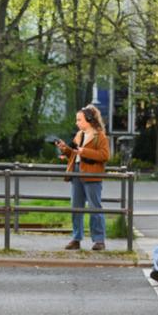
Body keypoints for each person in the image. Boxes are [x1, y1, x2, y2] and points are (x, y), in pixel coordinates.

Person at [56, 104, 110, 251]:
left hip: (92, 175)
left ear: (89, 120)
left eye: (79, 120)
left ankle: (99, 240)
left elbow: (105, 156)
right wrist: (65, 150)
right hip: (76, 173)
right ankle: (76, 238)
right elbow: (74, 152)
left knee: (95, 208)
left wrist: (84, 151)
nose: (77, 122)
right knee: (76, 207)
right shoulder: (80, 135)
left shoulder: (100, 136)